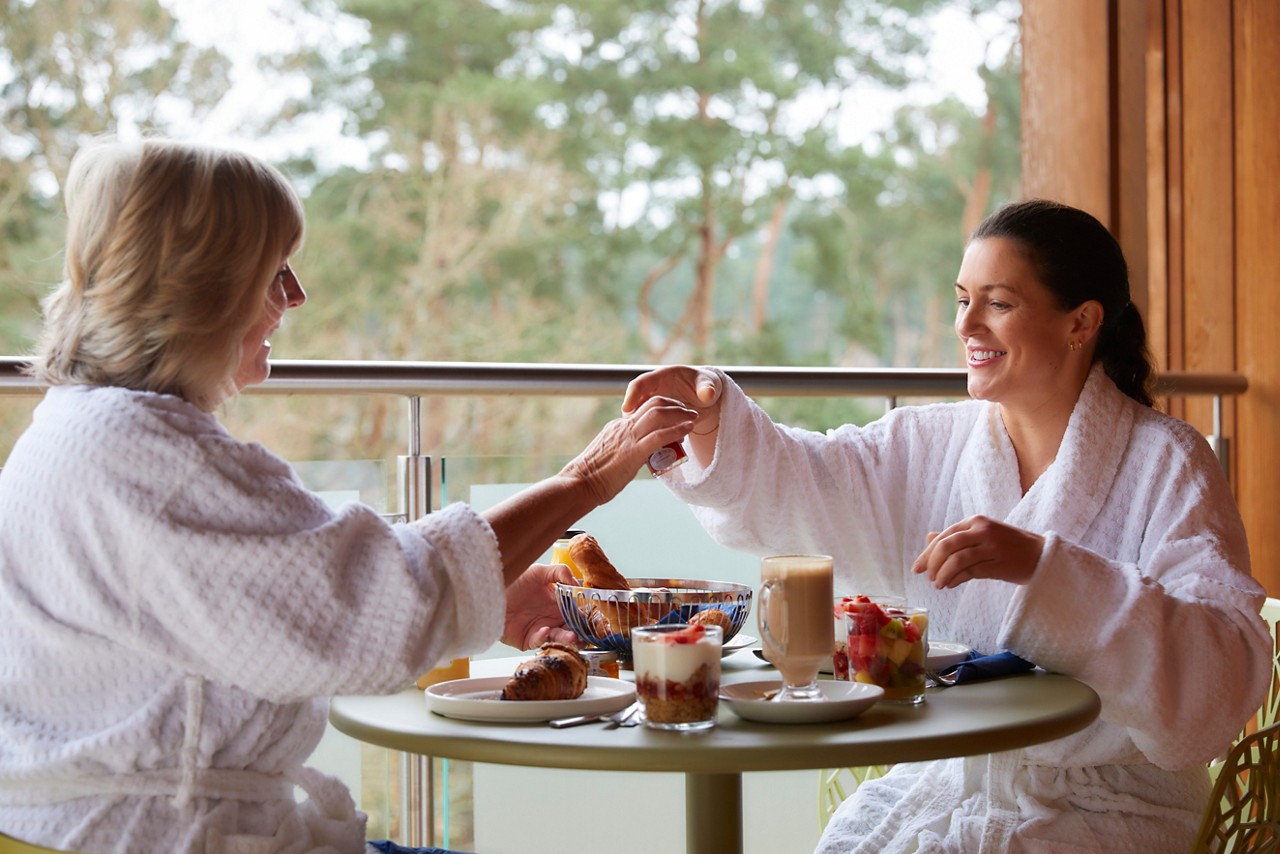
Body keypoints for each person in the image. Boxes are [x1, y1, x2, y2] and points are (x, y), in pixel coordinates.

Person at [0, 135, 699, 853]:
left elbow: (302, 592)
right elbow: (374, 609)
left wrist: (492, 591)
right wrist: (583, 481)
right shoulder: (152, 462)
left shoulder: (85, 429)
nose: (295, 296)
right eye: (274, 271)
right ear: (202, 285)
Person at [622, 198, 1272, 852]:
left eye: (999, 303)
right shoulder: (928, 443)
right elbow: (811, 481)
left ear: (1081, 323)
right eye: (963, 300)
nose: (968, 325)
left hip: (1110, 812)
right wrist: (714, 426)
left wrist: (1043, 568)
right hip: (947, 789)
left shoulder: (1167, 459)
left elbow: (1220, 668)